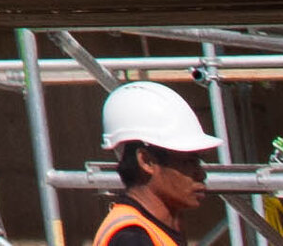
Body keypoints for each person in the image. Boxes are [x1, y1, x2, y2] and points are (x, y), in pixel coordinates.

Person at [91, 82, 219, 246]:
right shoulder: (131, 238)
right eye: (188, 162)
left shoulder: (155, 230)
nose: (201, 174)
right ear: (146, 161)